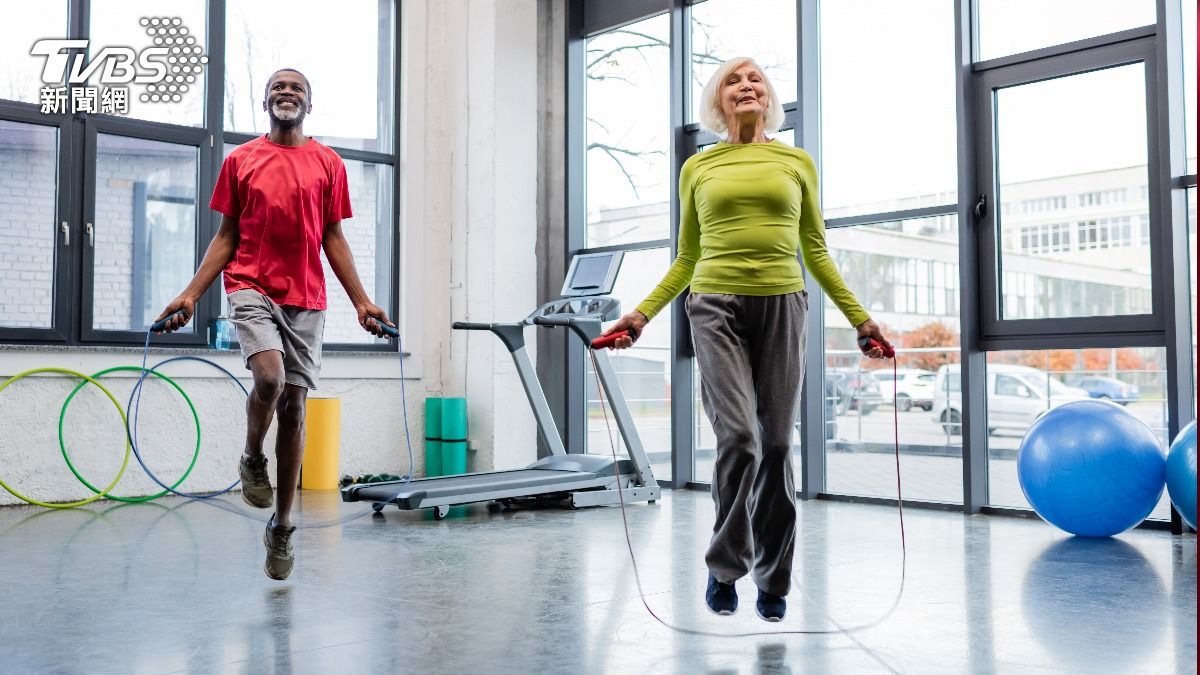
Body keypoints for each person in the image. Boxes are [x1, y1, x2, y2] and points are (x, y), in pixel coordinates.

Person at [600, 57, 891, 622]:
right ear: (719, 100)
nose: (745, 85)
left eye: (754, 78)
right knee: (740, 438)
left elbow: (816, 250)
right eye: (732, 80)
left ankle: (774, 579)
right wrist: (641, 314)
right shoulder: (698, 168)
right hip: (713, 305)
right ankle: (724, 565)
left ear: (768, 96)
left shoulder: (796, 161)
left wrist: (861, 320)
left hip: (784, 304)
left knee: (778, 444)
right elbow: (686, 256)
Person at [153, 68, 394, 580]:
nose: (287, 93)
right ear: (266, 101)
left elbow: (333, 238)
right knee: (269, 378)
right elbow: (225, 236)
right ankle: (250, 456)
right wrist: (192, 294)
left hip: (307, 298)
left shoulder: (328, 163)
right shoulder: (241, 160)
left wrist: (362, 302)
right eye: (278, 88)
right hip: (251, 286)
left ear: (310, 102)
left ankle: (282, 527)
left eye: (297, 88)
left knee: (295, 407)